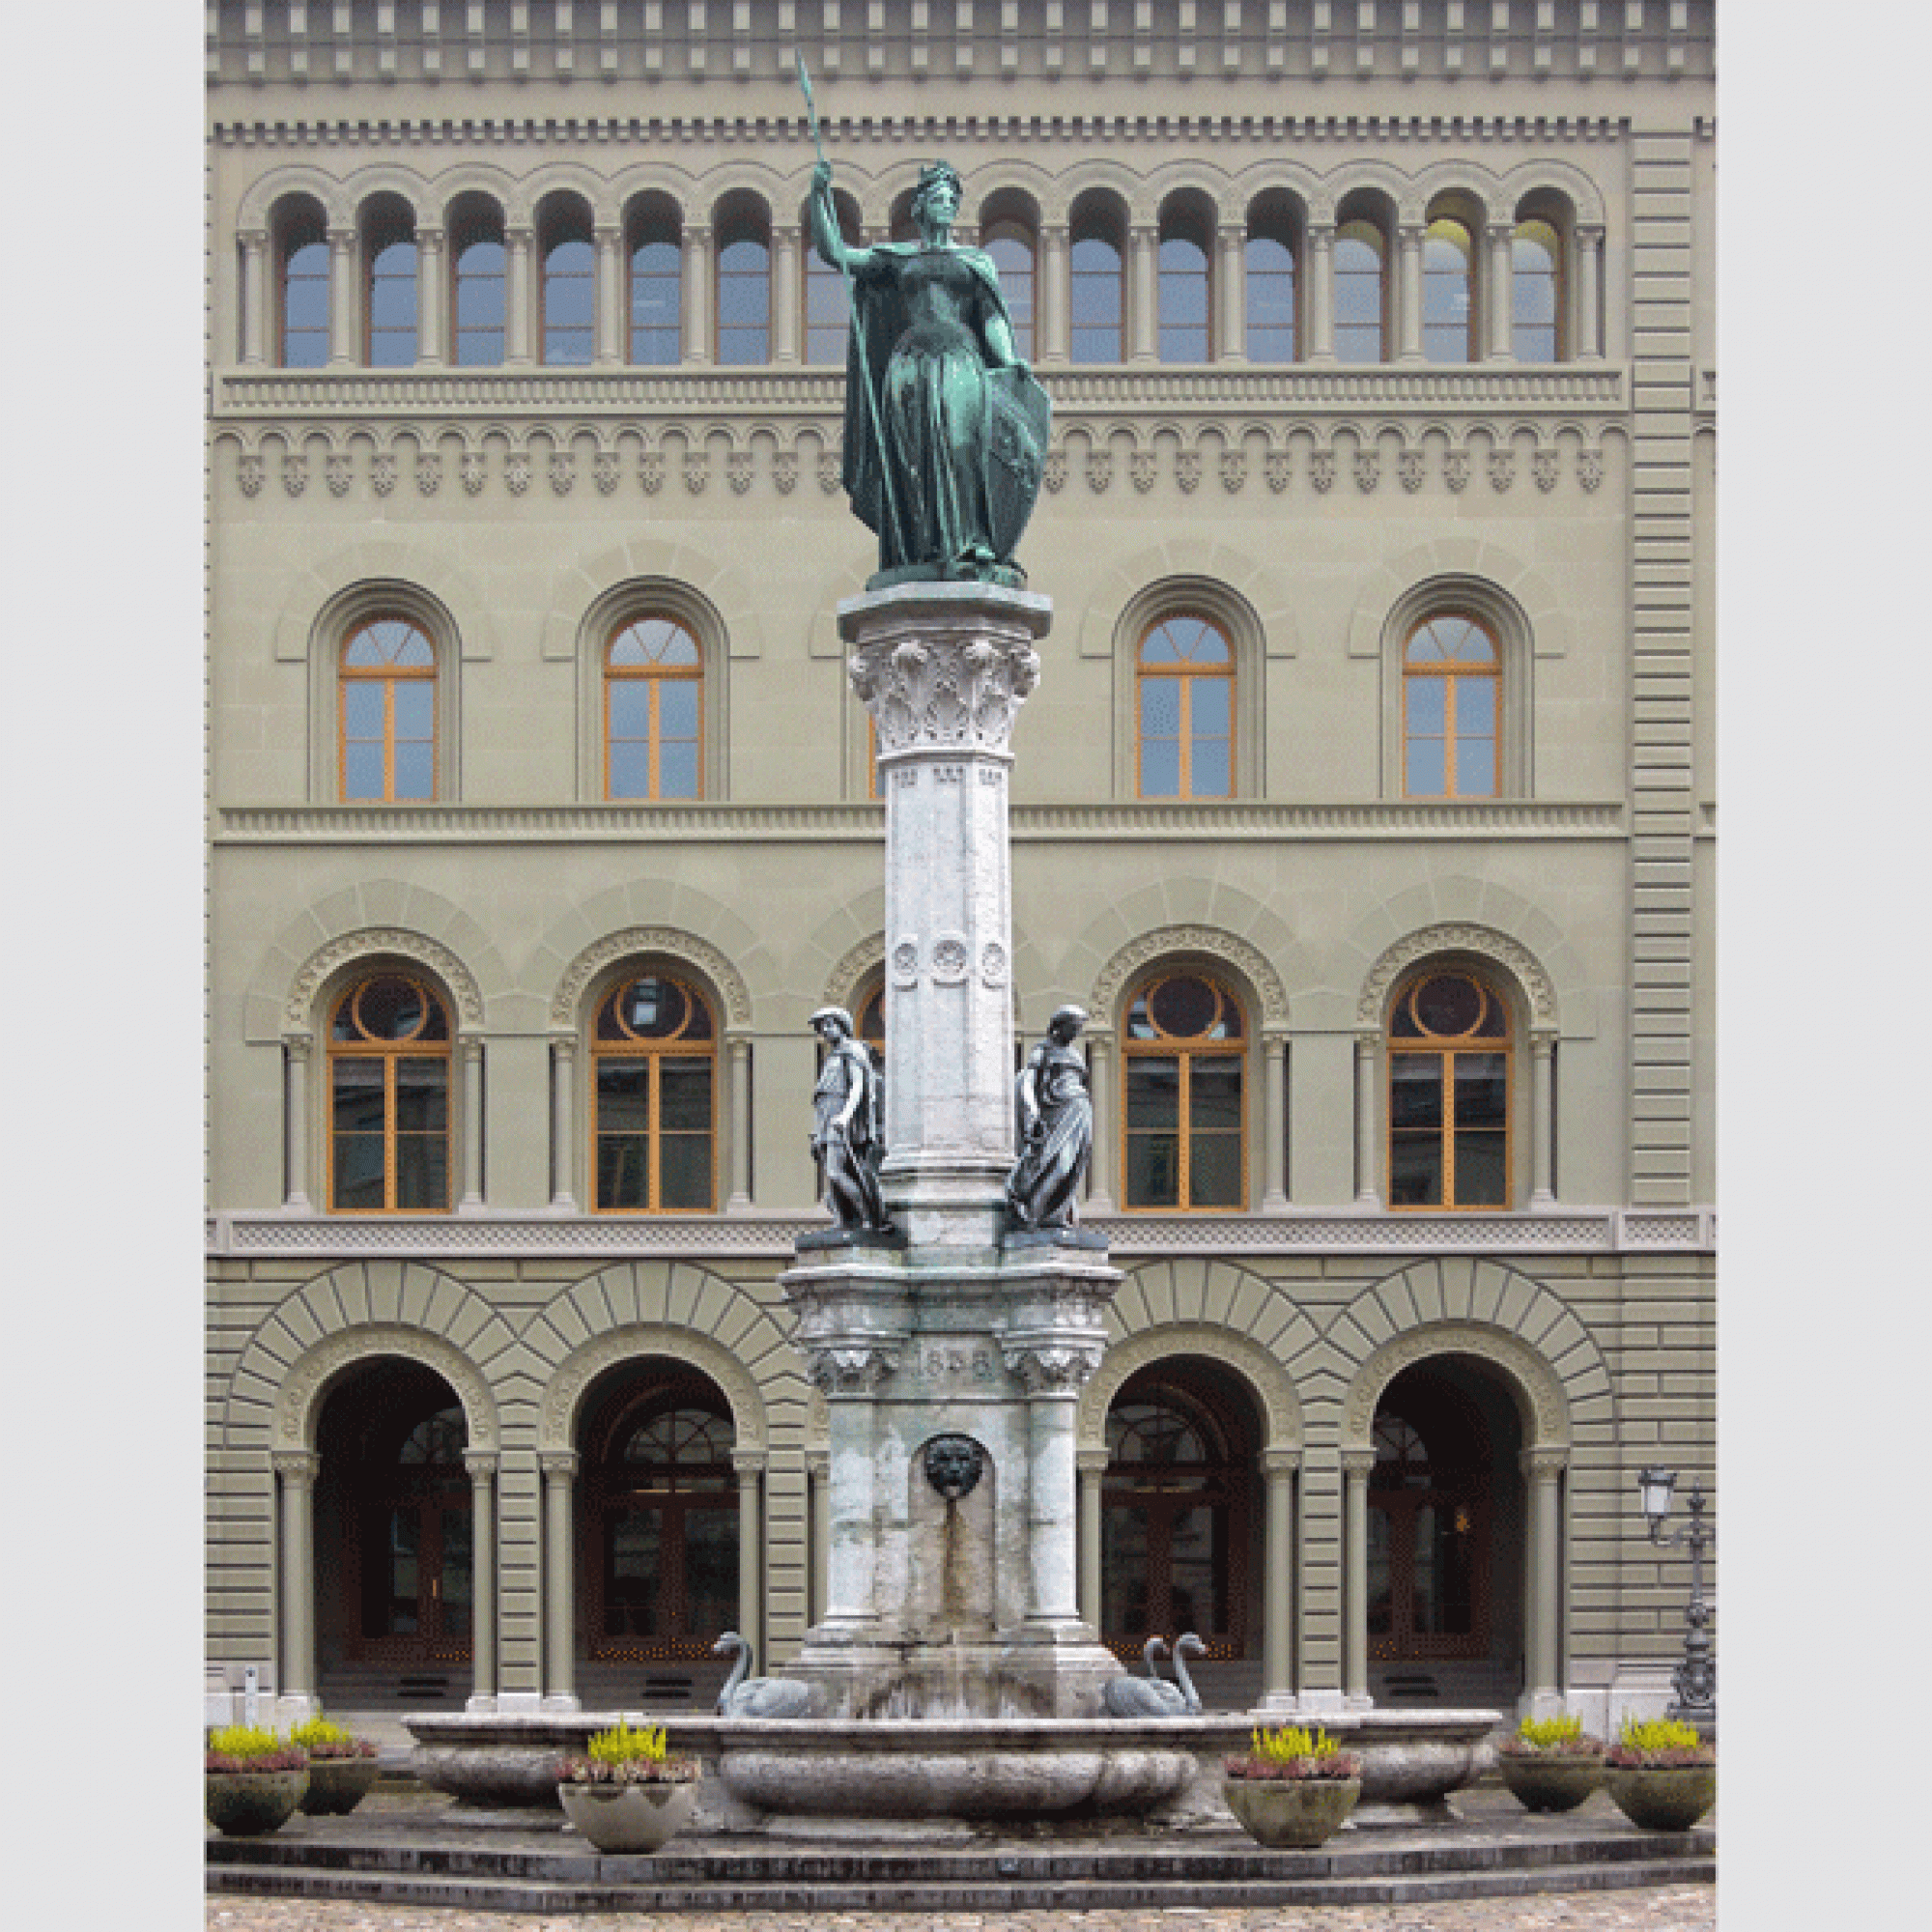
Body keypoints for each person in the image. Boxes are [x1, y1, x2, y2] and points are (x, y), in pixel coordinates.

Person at [809, 157, 1050, 586]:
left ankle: (970, 542)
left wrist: (1011, 360)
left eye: (950, 200)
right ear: (920, 208)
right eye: (936, 199)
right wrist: (819, 196)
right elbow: (835, 253)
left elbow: (991, 317)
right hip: (910, 364)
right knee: (911, 456)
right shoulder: (898, 260)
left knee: (962, 446)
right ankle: (916, 548)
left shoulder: (975, 262)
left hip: (959, 360)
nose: (944, 206)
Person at [1006, 1006, 1094, 1232]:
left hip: (1079, 1111)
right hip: (1056, 1114)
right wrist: (1032, 1112)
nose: (1075, 1033)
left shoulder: (1075, 1053)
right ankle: (1034, 1218)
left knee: (1073, 1168)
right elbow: (1027, 1080)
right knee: (1058, 1167)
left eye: (1078, 1028)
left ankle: (1054, 1216)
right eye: (1073, 1027)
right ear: (1060, 1026)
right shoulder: (1043, 1049)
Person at [810, 1006, 889, 1234]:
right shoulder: (832, 1057)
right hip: (826, 1119)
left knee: (837, 1171)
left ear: (841, 1026)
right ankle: (842, 1221)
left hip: (841, 1120)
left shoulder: (852, 1051)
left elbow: (857, 1087)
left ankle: (868, 1218)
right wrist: (817, 1132)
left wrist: (845, 1116)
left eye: (828, 1025)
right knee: (831, 1175)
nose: (824, 1031)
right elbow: (822, 1096)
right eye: (822, 1027)